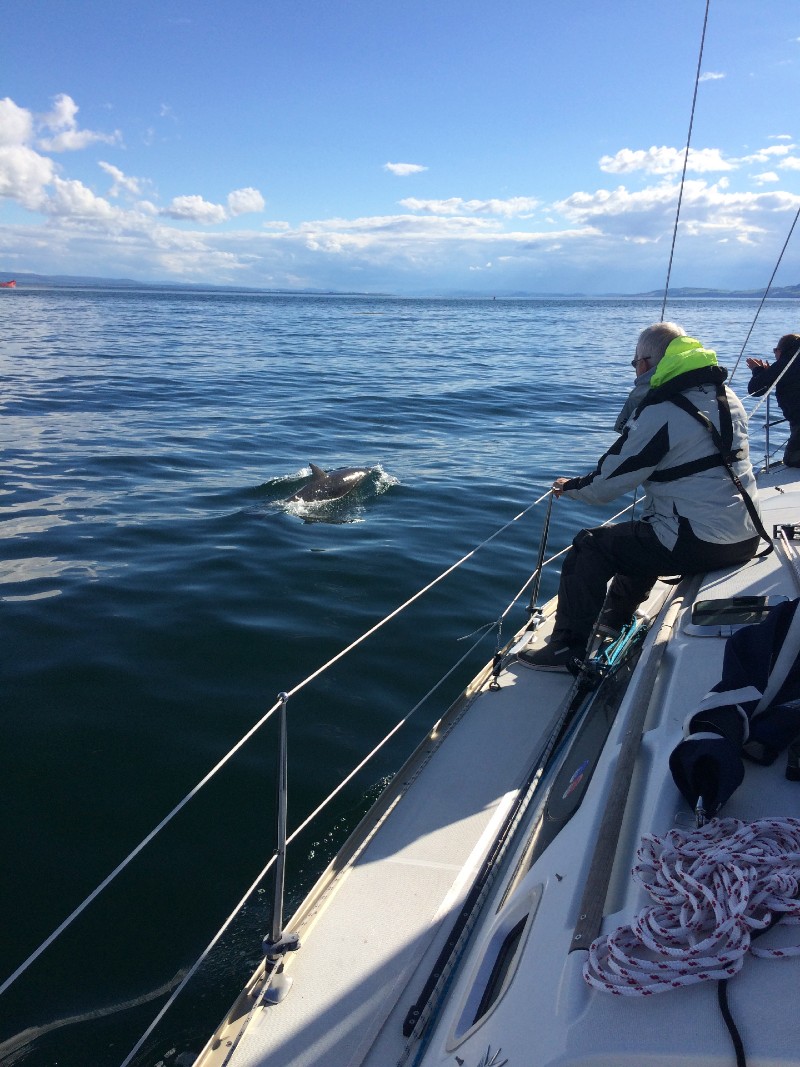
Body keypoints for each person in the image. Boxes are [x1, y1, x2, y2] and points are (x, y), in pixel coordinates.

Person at [519, 323, 762, 672]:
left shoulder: (661, 411)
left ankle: (565, 648)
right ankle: (611, 622)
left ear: (646, 364)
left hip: (701, 543)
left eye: (634, 363)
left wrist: (569, 487)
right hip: (746, 536)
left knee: (591, 545)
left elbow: (607, 484)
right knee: (646, 533)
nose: (635, 370)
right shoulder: (727, 396)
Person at [613, 321, 684, 434]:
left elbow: (624, 440)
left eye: (635, 363)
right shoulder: (718, 390)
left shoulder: (641, 399)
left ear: (642, 364)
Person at [746, 333, 800, 467]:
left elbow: (755, 389)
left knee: (791, 460)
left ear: (780, 350)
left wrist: (758, 370)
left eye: (775, 350)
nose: (775, 354)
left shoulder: (787, 362)